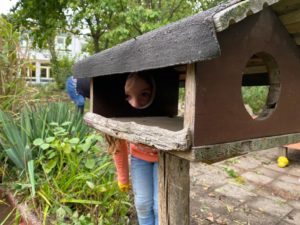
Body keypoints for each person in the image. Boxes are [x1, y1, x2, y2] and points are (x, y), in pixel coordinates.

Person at [108, 72, 158, 225]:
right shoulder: (122, 113)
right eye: (128, 97)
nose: (135, 104)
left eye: (144, 94)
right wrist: (123, 178)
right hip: (139, 157)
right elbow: (118, 144)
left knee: (159, 205)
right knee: (142, 204)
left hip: (164, 159)